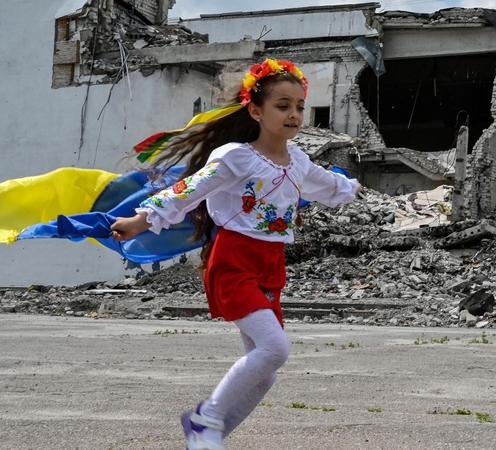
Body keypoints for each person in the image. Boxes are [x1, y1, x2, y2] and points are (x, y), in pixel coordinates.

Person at [110, 58, 361, 450]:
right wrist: (142, 219)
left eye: (299, 107)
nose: (293, 114)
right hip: (234, 260)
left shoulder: (298, 160)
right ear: (256, 111)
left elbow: (327, 185)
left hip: (271, 265)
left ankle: (209, 438)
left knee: (266, 373)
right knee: (275, 349)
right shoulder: (235, 157)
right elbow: (190, 188)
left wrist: (352, 187)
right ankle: (204, 418)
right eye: (283, 106)